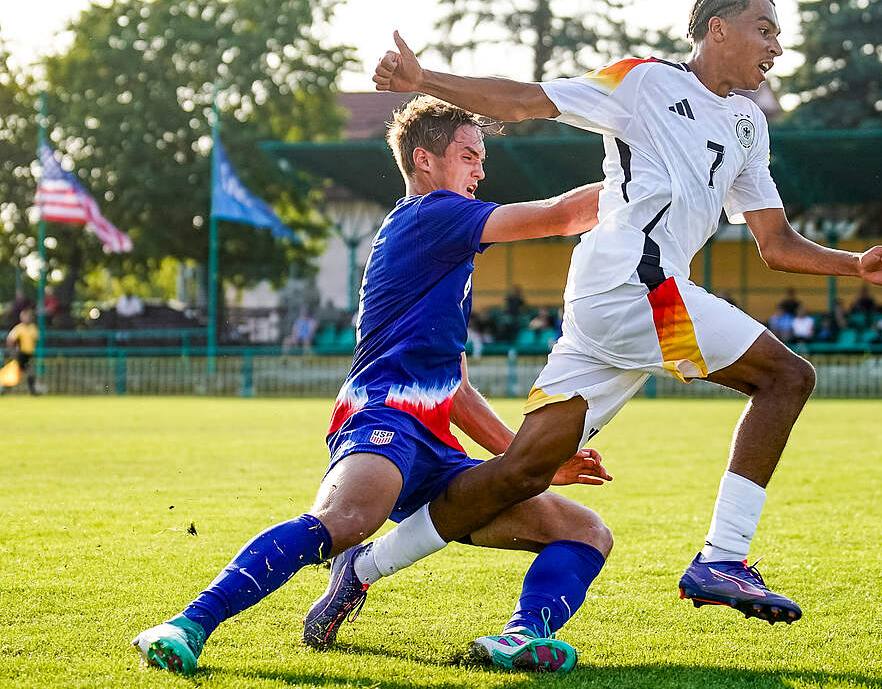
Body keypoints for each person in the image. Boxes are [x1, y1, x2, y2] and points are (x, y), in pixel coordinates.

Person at [362, 0, 882, 627]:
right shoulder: (643, 80)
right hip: (635, 284)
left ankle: (361, 569)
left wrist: (853, 264)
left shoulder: (746, 124)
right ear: (717, 29)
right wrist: (424, 76)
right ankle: (724, 558)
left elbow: (775, 242)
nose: (777, 47)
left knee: (521, 472)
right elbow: (524, 101)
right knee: (787, 377)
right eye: (764, 29)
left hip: (615, 302)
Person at [132, 97, 614, 676]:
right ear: (425, 161)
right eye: (469, 156)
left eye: (481, 159)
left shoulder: (443, 249)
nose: (480, 171)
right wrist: (649, 178)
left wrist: (528, 461)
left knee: (585, 531)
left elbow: (455, 389)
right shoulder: (430, 214)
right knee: (346, 520)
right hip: (384, 413)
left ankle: (520, 636)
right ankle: (187, 624)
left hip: (436, 443)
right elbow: (561, 217)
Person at [3, 309, 40, 395]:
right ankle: (32, 392)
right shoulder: (18, 328)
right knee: (18, 372)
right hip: (20, 354)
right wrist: (13, 352)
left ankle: (3, 389)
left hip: (28, 354)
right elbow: (10, 340)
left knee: (20, 372)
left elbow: (35, 340)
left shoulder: (33, 328)